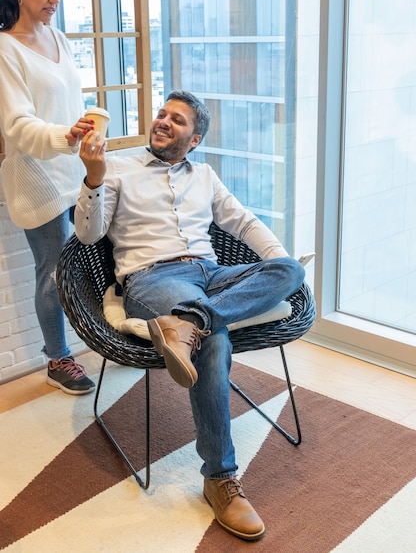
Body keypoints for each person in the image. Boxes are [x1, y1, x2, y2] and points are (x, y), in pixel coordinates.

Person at [75, 90, 305, 540]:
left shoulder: (204, 175)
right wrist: (93, 178)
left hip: (211, 274)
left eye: (176, 120)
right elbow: (88, 235)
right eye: (161, 114)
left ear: (194, 138)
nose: (163, 121)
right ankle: (220, 478)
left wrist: (279, 264)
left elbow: (243, 223)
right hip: (153, 279)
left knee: (289, 269)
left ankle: (192, 321)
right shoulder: (118, 168)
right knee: (215, 340)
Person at [0, 0, 95, 395]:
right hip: (36, 179)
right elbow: (18, 126)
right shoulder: (5, 49)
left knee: (90, 258)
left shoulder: (57, 38)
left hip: (73, 172)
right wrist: (66, 137)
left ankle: (100, 336)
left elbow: (68, 104)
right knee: (53, 271)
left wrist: (85, 133)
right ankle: (59, 359)